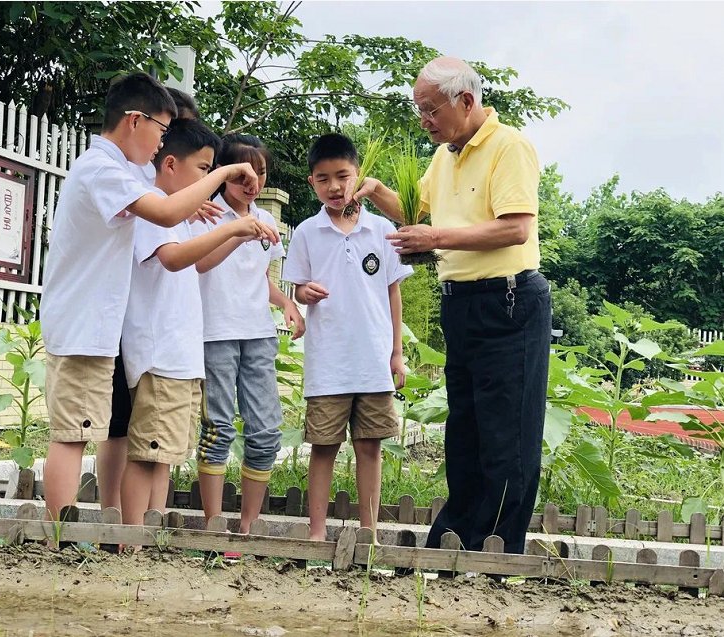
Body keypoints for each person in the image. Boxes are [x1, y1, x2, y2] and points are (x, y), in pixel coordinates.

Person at [352, 56, 551, 554]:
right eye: (419, 109)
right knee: (465, 428)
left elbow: (515, 227)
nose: (424, 120)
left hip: (508, 302)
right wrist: (378, 193)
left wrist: (436, 236)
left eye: (430, 109)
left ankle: (499, 544)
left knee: (507, 430)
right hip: (460, 302)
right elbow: (418, 216)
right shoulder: (445, 156)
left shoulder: (510, 147)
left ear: (466, 100)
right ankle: (456, 537)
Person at [39, 73, 260, 521]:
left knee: (93, 430)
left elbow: (164, 202)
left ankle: (91, 528)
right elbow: (162, 211)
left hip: (94, 325)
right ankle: (59, 536)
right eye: (161, 130)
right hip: (83, 323)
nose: (161, 145)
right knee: (72, 433)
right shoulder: (103, 168)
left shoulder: (117, 170)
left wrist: (192, 195)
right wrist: (221, 172)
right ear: (134, 121)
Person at [119, 118, 279, 525]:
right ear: (171, 164)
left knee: (164, 455)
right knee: (153, 452)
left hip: (184, 352)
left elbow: (224, 267)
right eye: (207, 170)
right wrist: (234, 228)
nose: (208, 181)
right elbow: (179, 261)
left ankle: (148, 531)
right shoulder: (163, 211)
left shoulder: (181, 213)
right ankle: (135, 534)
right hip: (170, 351)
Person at [282, 133, 412, 541]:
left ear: (358, 176)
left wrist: (397, 354)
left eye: (343, 176)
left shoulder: (381, 229)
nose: (335, 187)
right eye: (324, 179)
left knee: (369, 447)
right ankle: (317, 534)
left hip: (373, 359)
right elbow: (297, 288)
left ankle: (369, 533)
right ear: (312, 184)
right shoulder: (306, 232)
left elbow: (393, 292)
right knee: (322, 447)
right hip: (329, 362)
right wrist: (304, 293)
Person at [194, 134, 306, 534]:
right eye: (242, 174)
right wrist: (238, 230)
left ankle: (248, 527)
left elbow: (260, 279)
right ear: (224, 175)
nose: (252, 182)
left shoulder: (268, 220)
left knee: (265, 430)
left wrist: (287, 303)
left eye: (259, 172)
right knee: (218, 427)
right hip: (216, 333)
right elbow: (201, 264)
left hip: (258, 334)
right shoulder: (205, 214)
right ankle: (213, 524)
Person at [98, 87, 200, 511]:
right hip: (123, 320)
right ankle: (115, 517)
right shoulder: (133, 177)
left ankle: (135, 522)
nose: (163, 141)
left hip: (148, 323)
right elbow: (165, 237)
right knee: (118, 427)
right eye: (169, 130)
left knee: (145, 439)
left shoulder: (163, 186)